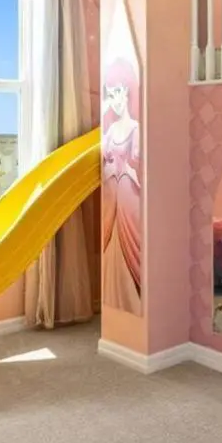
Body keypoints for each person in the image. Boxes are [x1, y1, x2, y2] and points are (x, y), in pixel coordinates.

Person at [101, 57, 142, 315]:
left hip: (127, 194)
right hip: (113, 194)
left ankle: (132, 297)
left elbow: (136, 160)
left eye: (116, 92)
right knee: (112, 243)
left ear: (126, 91)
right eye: (109, 94)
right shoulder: (111, 129)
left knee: (131, 243)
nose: (113, 100)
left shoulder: (136, 129)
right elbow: (104, 156)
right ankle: (113, 303)